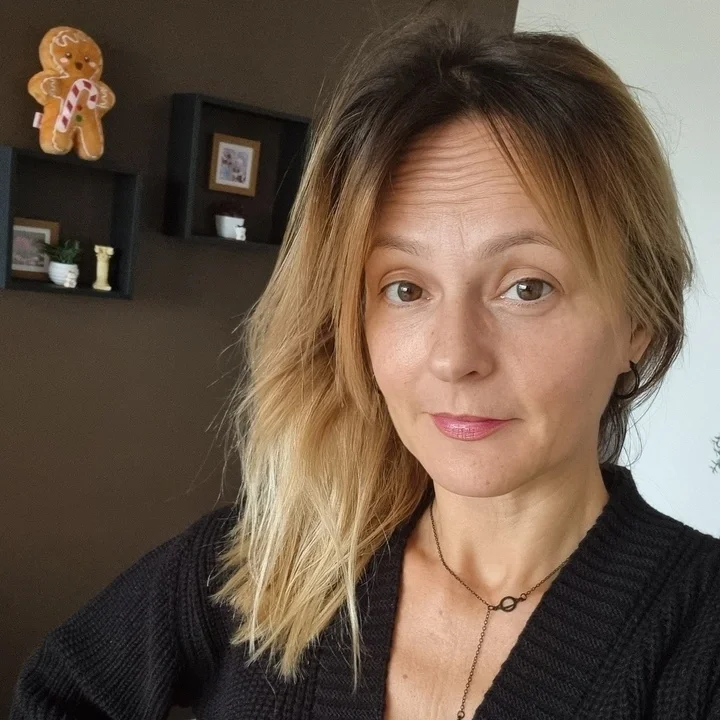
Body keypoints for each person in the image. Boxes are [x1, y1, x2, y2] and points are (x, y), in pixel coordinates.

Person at [11, 7, 720, 720]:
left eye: (527, 287)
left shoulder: (699, 641)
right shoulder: (257, 568)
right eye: (405, 289)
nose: (454, 357)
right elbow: (60, 692)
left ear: (640, 320)